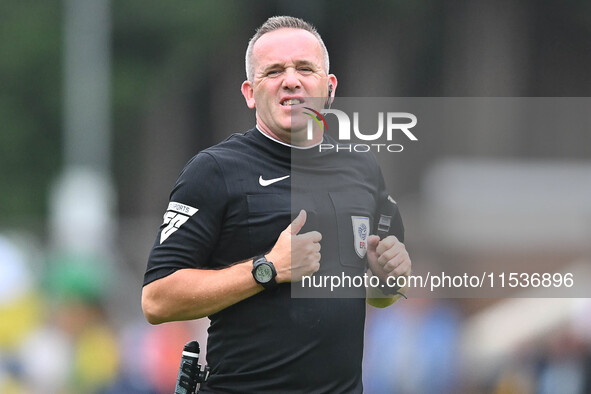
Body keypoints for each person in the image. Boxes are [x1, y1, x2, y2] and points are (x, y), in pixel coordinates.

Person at [141, 16, 412, 393]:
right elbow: (157, 300)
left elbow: (375, 297)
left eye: (305, 68)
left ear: (329, 87)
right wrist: (267, 269)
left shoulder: (362, 167)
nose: (291, 80)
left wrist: (386, 279)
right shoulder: (215, 170)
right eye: (274, 71)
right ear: (250, 92)